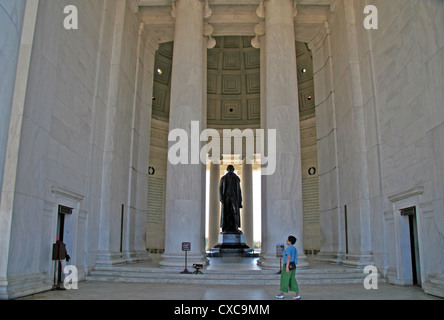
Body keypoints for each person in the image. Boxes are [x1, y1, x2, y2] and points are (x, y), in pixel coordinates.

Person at [275, 235, 301, 300]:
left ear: (290, 241)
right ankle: (297, 294)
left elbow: (288, 258)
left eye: (288, 240)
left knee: (284, 279)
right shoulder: (294, 248)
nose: (287, 241)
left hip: (288, 265)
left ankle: (282, 293)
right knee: (292, 279)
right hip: (293, 266)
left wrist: (287, 267)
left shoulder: (289, 248)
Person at [219, 165, 243, 233]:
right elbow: (220, 189)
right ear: (227, 169)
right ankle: (226, 227)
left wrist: (240, 201)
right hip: (226, 196)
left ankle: (235, 226)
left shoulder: (236, 178)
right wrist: (221, 197)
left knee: (235, 211)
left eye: (231, 169)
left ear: (233, 169)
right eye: (229, 169)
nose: (230, 170)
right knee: (226, 212)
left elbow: (239, 190)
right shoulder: (223, 178)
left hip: (234, 196)